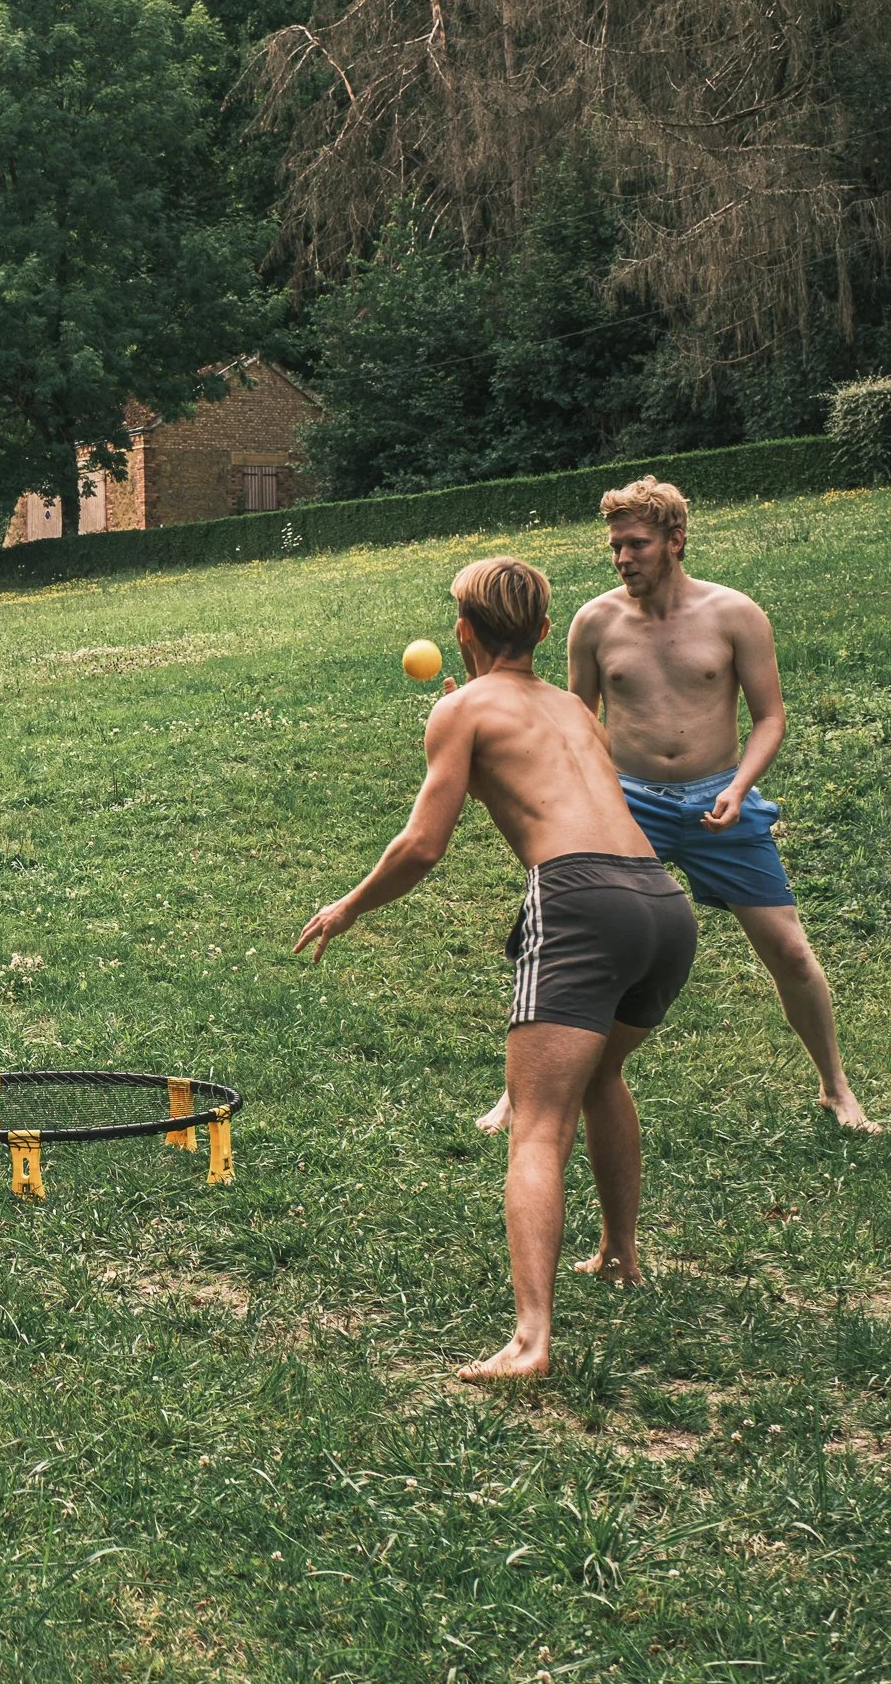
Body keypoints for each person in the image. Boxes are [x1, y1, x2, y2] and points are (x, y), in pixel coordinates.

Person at [295, 558, 697, 1382]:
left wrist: (347, 906)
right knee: (603, 1078)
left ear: (463, 633)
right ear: (546, 633)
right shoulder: (576, 711)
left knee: (537, 1124)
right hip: (661, 901)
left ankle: (530, 1341)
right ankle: (620, 1254)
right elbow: (548, 785)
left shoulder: (463, 709)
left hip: (581, 900)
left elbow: (422, 846)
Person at [477, 476, 876, 1135]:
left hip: (722, 801)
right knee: (561, 943)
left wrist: (740, 786)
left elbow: (770, 717)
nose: (621, 558)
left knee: (790, 951)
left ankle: (837, 1088)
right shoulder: (596, 623)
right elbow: (581, 723)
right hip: (627, 804)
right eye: (615, 547)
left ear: (675, 541)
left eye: (635, 544)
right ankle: (520, 1093)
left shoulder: (734, 615)